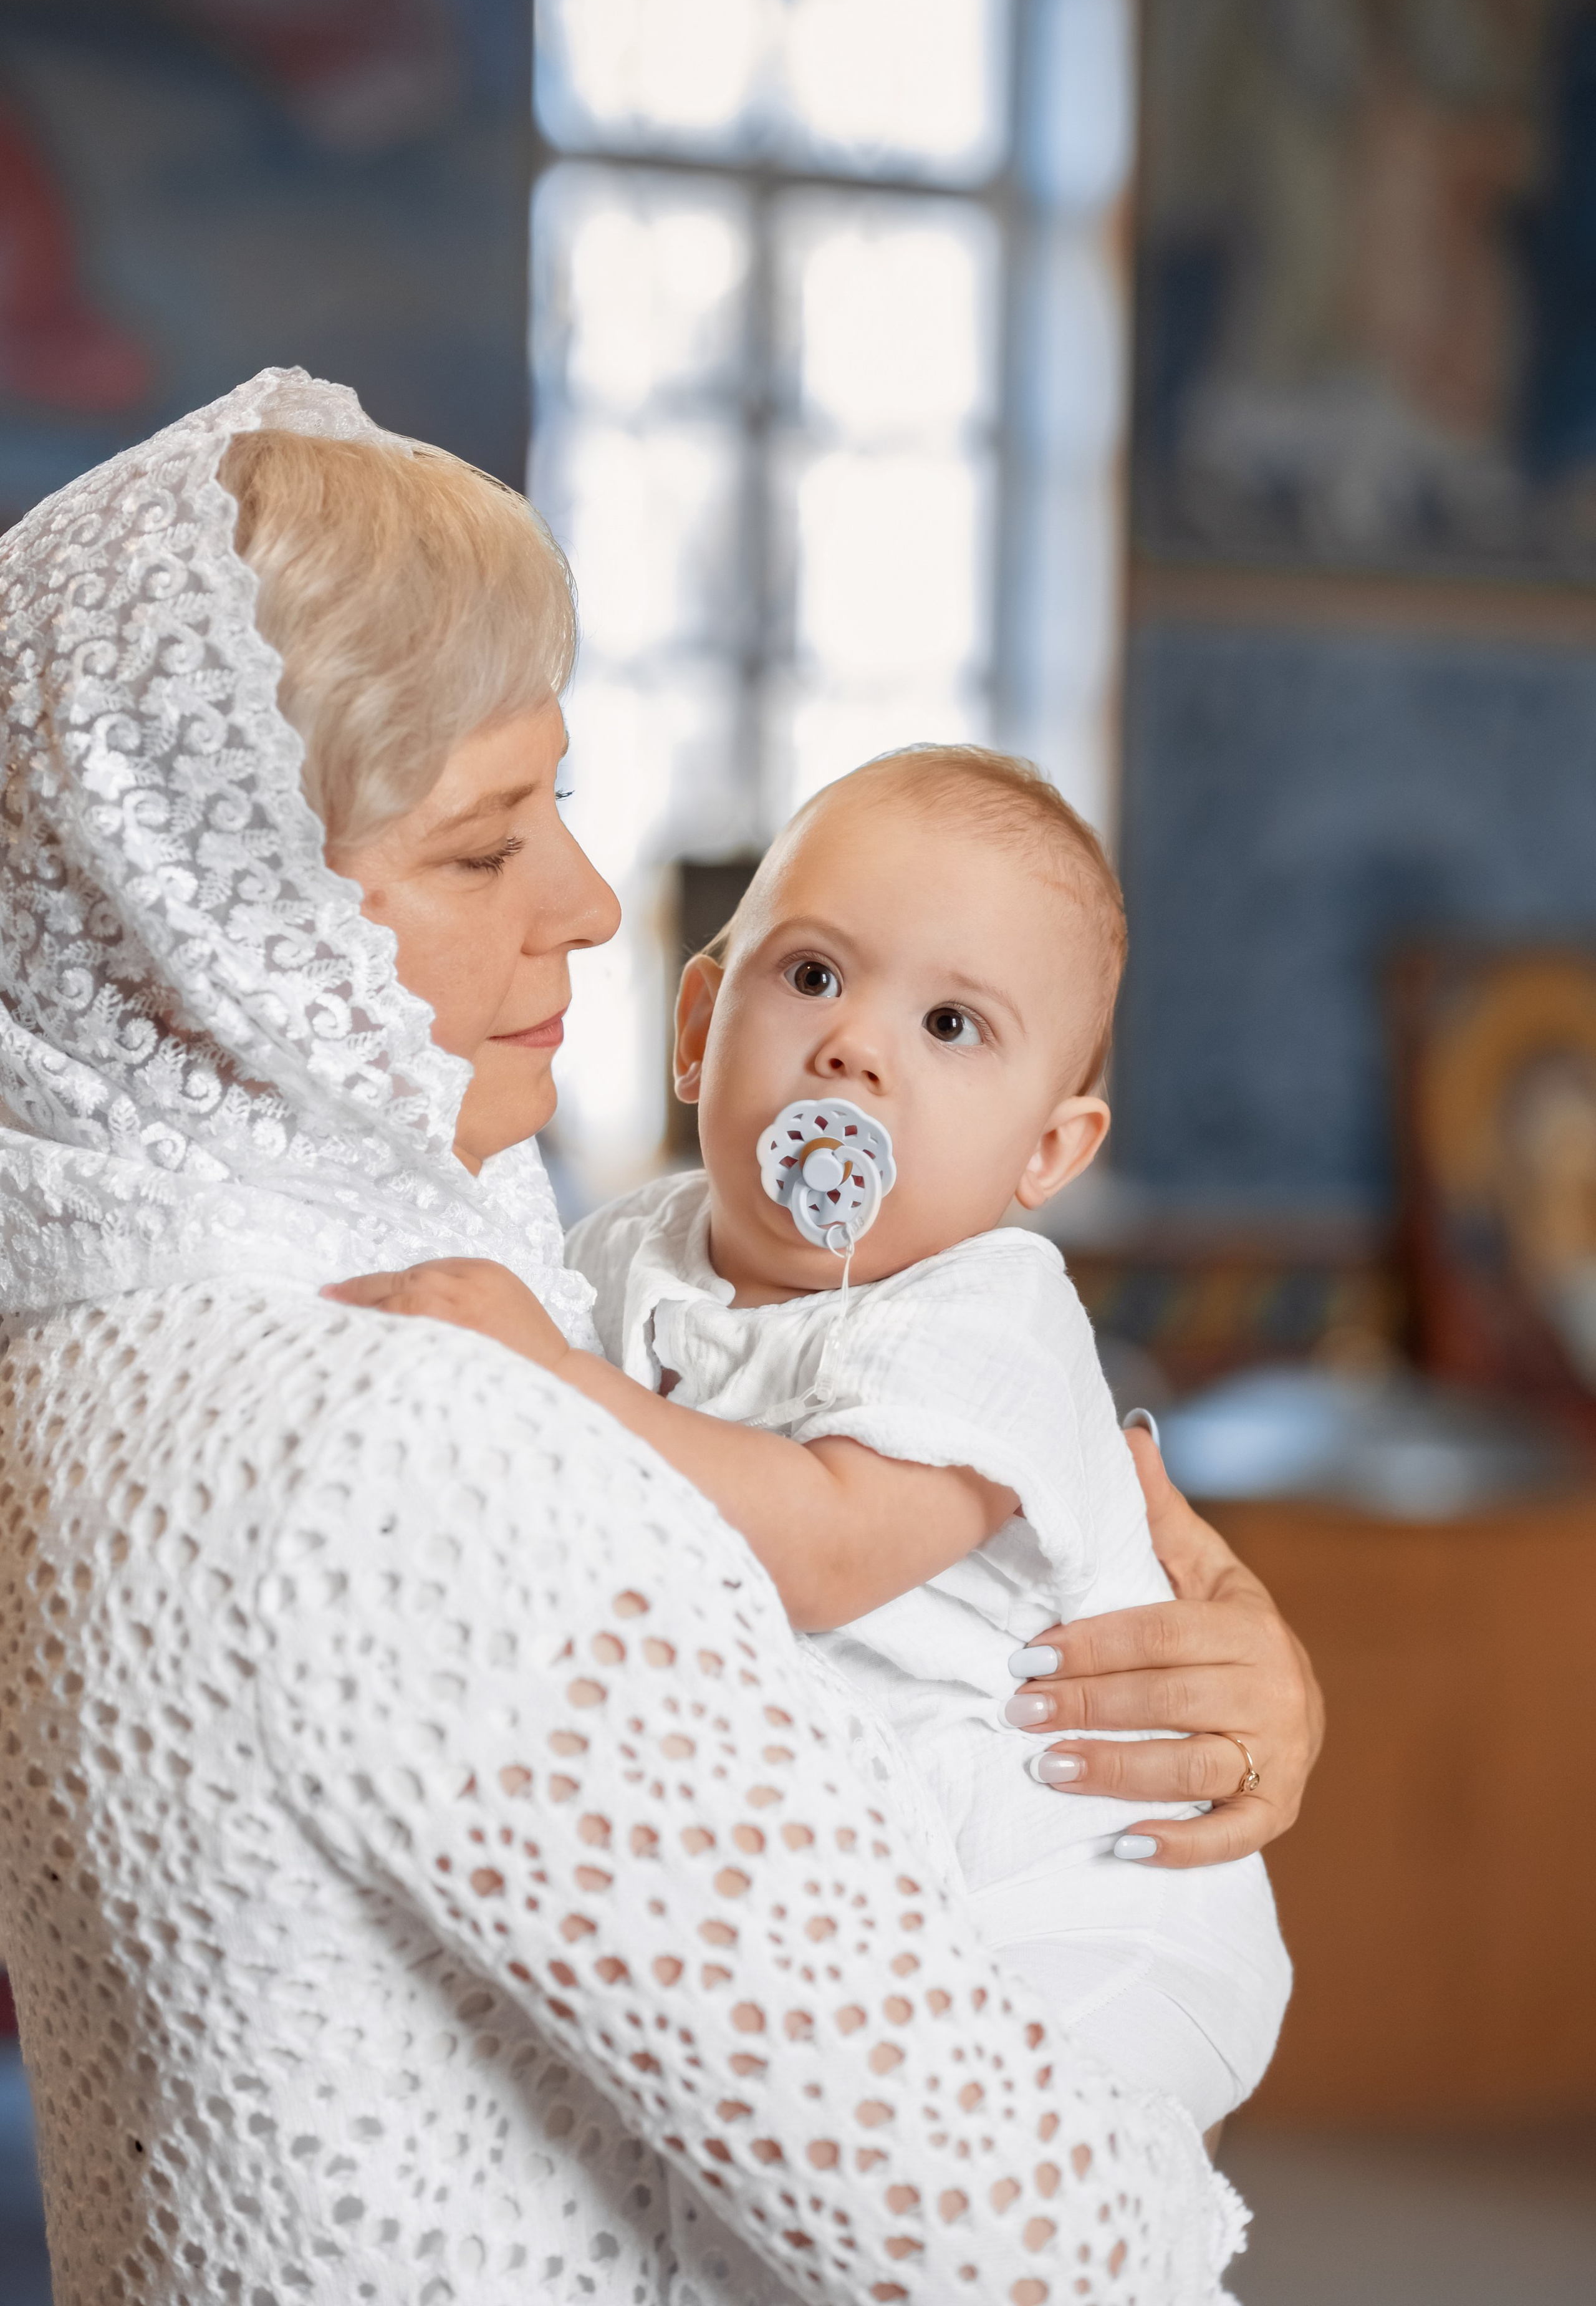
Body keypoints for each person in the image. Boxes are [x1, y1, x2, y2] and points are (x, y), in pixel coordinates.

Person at [0, 369, 1322, 2305]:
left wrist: (1194, 1648)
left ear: (1059, 1144)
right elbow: (1041, 2250)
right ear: (207, 909)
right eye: (481, 847)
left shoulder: (97, 1351)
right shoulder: (406, 1431)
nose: (595, 904)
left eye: (565, 807)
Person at [331, 748, 1291, 2135]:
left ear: (1047, 1153)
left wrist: (541, 1373)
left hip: (1088, 1898)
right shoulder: (618, 1257)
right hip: (853, 1883)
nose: (856, 1048)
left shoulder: (994, 1310)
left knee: (984, 2210)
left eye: (953, 1026)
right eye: (813, 976)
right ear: (698, 1024)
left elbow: (828, 1548)